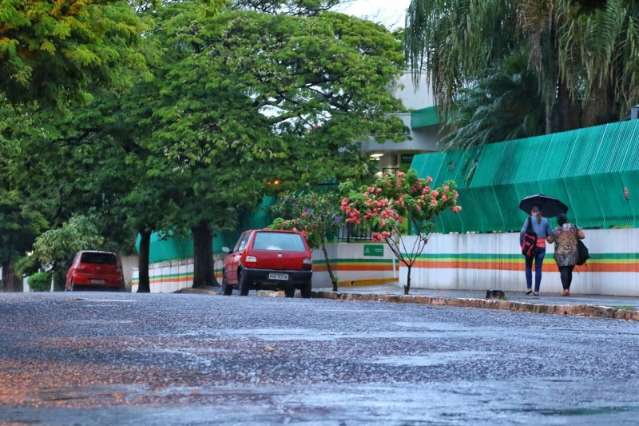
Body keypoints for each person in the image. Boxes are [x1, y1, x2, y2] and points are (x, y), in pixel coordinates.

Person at [548, 213, 585, 296]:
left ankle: (565, 289)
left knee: (563, 270)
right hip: (573, 253)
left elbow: (549, 240)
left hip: (560, 253)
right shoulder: (573, 227)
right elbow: (582, 236)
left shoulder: (556, 230)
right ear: (567, 220)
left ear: (558, 222)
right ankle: (567, 289)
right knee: (569, 271)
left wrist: (547, 234)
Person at [520, 206, 551, 296]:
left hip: (530, 247)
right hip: (541, 247)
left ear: (532, 211)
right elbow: (549, 235)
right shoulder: (546, 220)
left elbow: (522, 232)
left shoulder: (529, 219)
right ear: (540, 212)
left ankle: (529, 288)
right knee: (538, 268)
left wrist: (522, 245)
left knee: (528, 267)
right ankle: (536, 290)